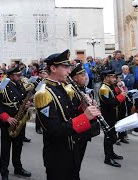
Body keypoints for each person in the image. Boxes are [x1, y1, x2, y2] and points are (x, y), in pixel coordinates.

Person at [34, 49, 101, 180]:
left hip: (72, 148)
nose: (69, 71)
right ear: (53, 68)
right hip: (58, 156)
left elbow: (70, 116)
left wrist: (83, 108)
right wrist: (85, 117)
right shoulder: (43, 94)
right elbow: (55, 129)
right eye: (65, 67)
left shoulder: (62, 87)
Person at [0, 66, 32, 180]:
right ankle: (4, 172)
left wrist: (27, 104)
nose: (20, 77)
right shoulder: (3, 85)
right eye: (17, 75)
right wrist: (7, 118)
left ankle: (18, 168)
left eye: (20, 75)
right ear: (11, 76)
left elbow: (23, 98)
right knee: (5, 149)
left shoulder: (20, 85)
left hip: (19, 120)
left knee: (18, 146)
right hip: (7, 122)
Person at [69, 63, 101, 179]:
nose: (86, 77)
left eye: (85, 74)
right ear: (75, 78)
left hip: (84, 131)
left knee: (78, 161)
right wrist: (83, 108)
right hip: (76, 133)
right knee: (74, 162)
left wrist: (93, 107)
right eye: (82, 75)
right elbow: (71, 113)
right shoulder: (71, 91)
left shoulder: (83, 89)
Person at [99, 69, 126, 167]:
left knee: (111, 135)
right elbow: (111, 103)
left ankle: (111, 153)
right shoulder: (104, 89)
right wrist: (121, 97)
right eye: (112, 77)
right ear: (106, 78)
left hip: (112, 115)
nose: (114, 79)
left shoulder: (109, 87)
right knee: (108, 137)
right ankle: (108, 158)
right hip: (107, 116)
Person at [35, 67, 47, 134]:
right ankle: (38, 128)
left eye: (45, 73)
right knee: (38, 113)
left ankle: (43, 126)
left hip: (45, 98)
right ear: (40, 74)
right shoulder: (38, 81)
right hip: (38, 98)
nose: (44, 74)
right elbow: (36, 90)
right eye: (43, 73)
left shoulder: (46, 80)